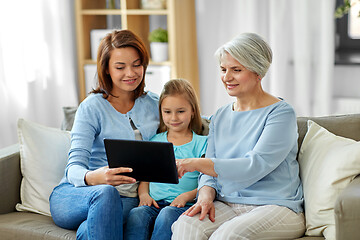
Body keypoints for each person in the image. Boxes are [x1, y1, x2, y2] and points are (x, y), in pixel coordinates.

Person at [172, 33, 305, 239]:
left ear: (258, 72)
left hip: (277, 205)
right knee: (185, 226)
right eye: (223, 70)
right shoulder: (220, 116)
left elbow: (256, 164)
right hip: (228, 202)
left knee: (227, 235)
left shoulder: (280, 113)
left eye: (236, 70)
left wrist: (195, 163)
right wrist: (205, 196)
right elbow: (209, 172)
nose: (226, 77)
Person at [49, 29, 160, 240]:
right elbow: (73, 167)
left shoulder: (154, 105)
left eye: (137, 64)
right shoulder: (91, 108)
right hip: (76, 194)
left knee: (86, 231)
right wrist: (93, 178)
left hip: (127, 198)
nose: (131, 73)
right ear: (107, 69)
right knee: (106, 192)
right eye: (120, 67)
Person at [125, 79, 208, 240]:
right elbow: (145, 178)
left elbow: (208, 181)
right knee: (136, 214)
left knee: (167, 214)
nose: (174, 118)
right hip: (154, 203)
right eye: (167, 112)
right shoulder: (155, 141)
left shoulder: (202, 144)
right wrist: (144, 195)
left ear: (192, 111)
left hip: (183, 205)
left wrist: (187, 196)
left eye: (181, 111)